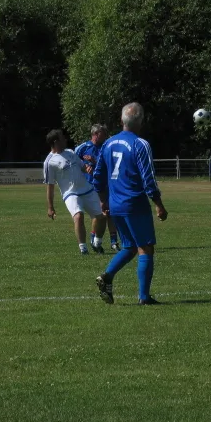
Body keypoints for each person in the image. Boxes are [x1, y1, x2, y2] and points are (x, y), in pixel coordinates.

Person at [93, 102, 168, 305]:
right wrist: (158, 204)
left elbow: (98, 176)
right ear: (141, 121)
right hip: (135, 203)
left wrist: (103, 200)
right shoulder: (140, 144)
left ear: (121, 120)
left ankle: (107, 276)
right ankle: (144, 297)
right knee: (146, 247)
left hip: (116, 205)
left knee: (130, 247)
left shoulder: (108, 143)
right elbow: (148, 178)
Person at [43, 129, 107, 255]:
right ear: (56, 142)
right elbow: (50, 186)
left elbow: (82, 167)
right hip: (70, 194)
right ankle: (83, 249)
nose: (65, 139)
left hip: (87, 190)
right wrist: (50, 207)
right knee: (78, 216)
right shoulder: (49, 162)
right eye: (62, 137)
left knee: (102, 217)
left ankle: (97, 243)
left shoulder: (70, 152)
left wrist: (87, 168)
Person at [75, 124, 121, 252]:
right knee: (99, 214)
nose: (106, 135)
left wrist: (94, 162)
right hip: (90, 187)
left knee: (111, 212)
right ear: (95, 134)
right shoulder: (82, 148)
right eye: (103, 133)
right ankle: (94, 239)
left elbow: (110, 164)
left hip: (106, 185)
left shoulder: (107, 147)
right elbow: (72, 164)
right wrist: (85, 166)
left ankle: (113, 242)